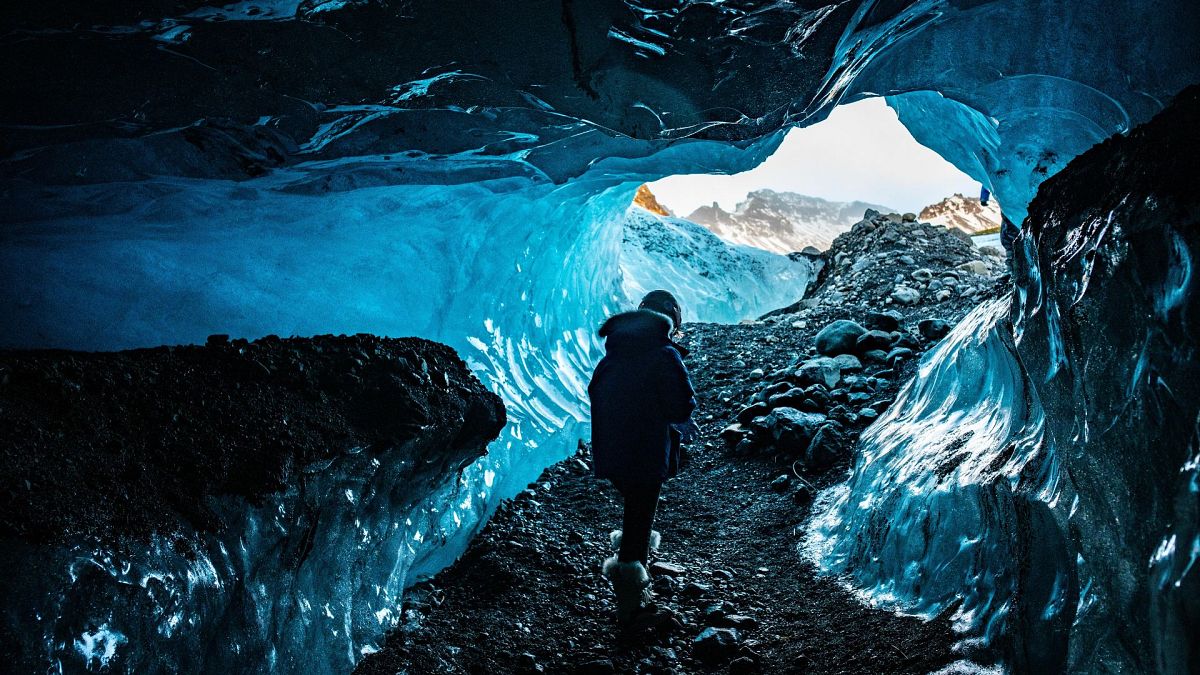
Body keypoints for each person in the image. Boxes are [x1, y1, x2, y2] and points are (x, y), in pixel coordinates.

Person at [588, 289, 697, 626]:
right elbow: (680, 405)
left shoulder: (613, 353)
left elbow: (597, 394)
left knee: (634, 505)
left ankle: (635, 548)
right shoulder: (664, 354)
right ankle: (632, 605)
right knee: (641, 507)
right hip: (646, 452)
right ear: (669, 322)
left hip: (611, 451)